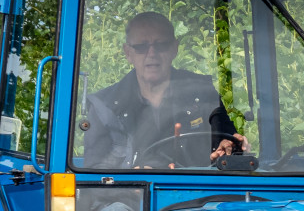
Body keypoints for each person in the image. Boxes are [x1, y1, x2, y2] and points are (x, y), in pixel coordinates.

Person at [83, 11, 247, 169]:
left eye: (161, 45)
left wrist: (230, 146)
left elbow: (227, 140)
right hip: (131, 197)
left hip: (196, 191)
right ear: (128, 53)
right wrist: (132, 182)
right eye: (141, 47)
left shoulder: (202, 93)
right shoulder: (105, 106)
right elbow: (94, 174)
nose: (152, 53)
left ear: (174, 48)